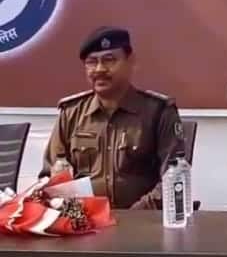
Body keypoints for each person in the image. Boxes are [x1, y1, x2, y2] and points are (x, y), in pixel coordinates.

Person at [41, 26, 185, 209]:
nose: (99, 69)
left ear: (130, 61)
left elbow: (175, 178)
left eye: (109, 60)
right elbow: (49, 176)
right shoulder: (70, 114)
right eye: (91, 62)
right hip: (84, 220)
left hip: (143, 220)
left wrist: (134, 216)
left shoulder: (158, 112)